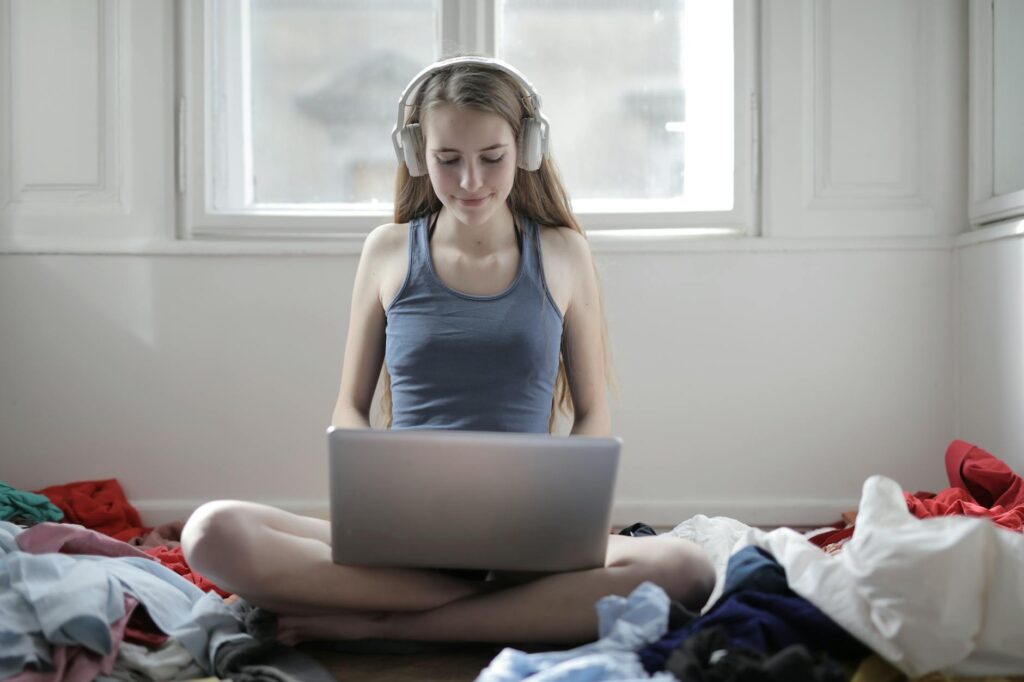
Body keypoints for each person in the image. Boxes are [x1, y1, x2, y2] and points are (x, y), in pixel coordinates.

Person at [181, 56, 714, 646]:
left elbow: (592, 414)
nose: (470, 182)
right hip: (404, 535)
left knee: (687, 569)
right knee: (211, 533)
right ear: (416, 156)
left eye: (492, 159)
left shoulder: (563, 253)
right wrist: (375, 499)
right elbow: (349, 409)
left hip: (528, 536)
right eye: (447, 160)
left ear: (527, 149)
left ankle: (387, 627)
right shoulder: (386, 251)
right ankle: (508, 610)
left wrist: (565, 522)